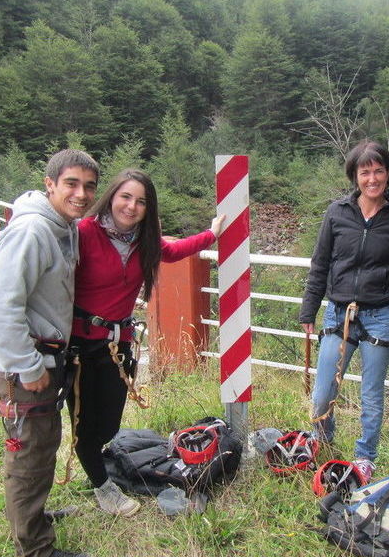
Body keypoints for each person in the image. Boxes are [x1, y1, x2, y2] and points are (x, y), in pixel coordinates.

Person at [69, 168, 224, 516]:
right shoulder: (83, 233)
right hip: (79, 346)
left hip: (118, 345)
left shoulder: (145, 241)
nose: (131, 206)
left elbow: (175, 250)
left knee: (109, 423)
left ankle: (97, 464)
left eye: (141, 201)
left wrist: (211, 235)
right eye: (125, 197)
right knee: (84, 423)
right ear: (111, 197)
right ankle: (102, 486)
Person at [0, 149, 99, 557]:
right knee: (29, 456)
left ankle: (32, 519)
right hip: (26, 367)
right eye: (71, 184)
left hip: (44, 359)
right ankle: (35, 548)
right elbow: (1, 308)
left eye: (89, 186)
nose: (81, 194)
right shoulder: (32, 231)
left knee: (42, 446)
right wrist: (28, 366)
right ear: (50, 184)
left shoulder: (64, 226)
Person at [299, 141, 389, 483]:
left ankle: (365, 457)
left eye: (379, 171)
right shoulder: (337, 213)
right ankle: (322, 439)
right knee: (323, 392)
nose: (372, 179)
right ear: (354, 175)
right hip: (338, 313)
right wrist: (309, 309)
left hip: (380, 316)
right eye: (365, 172)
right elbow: (320, 264)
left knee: (371, 395)